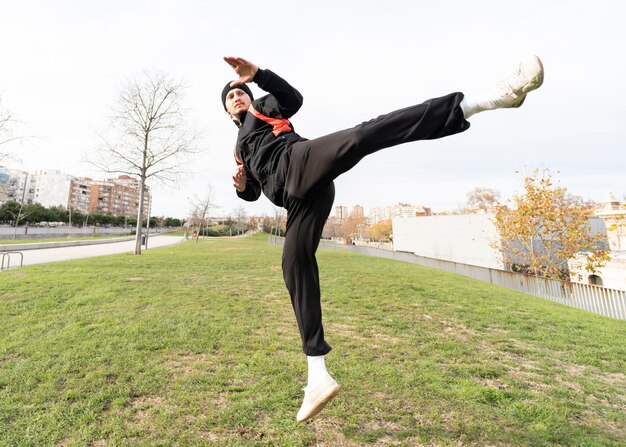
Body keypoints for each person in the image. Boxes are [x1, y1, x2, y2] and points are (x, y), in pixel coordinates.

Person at [222, 55, 544, 422]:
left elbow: (293, 99)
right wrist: (242, 187)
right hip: (295, 199)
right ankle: (317, 375)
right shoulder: (237, 148)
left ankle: (486, 99)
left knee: (362, 135)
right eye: (231, 97)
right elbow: (251, 191)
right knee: (293, 264)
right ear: (227, 110)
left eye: (240, 92)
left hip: (300, 161)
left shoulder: (262, 109)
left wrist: (259, 76)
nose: (237, 96)